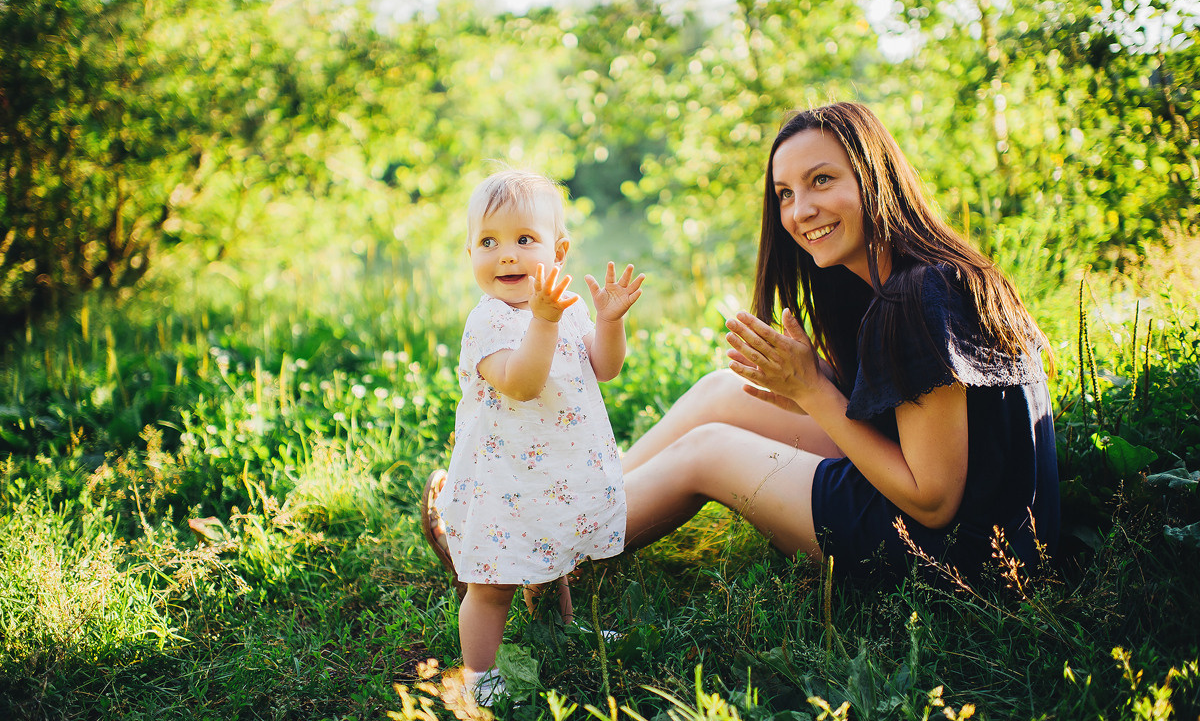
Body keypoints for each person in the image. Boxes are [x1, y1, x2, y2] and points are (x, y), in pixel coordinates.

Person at [620, 101, 1059, 584]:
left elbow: (933, 502)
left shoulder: (916, 295)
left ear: (875, 177)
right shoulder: (910, 278)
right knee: (720, 392)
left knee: (706, 452)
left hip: (964, 556)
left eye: (822, 180)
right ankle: (583, 499)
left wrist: (812, 391)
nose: (800, 211)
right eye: (785, 194)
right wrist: (809, 381)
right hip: (958, 524)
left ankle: (563, 547)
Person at [420, 168, 644, 704]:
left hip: (553, 471)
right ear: (469, 252)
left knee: (553, 557)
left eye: (524, 239)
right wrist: (544, 321)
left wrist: (609, 322)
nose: (506, 256)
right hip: (502, 480)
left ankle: (561, 630)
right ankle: (479, 675)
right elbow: (521, 384)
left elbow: (605, 367)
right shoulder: (489, 323)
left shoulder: (564, 309)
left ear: (558, 252)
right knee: (493, 585)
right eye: (488, 242)